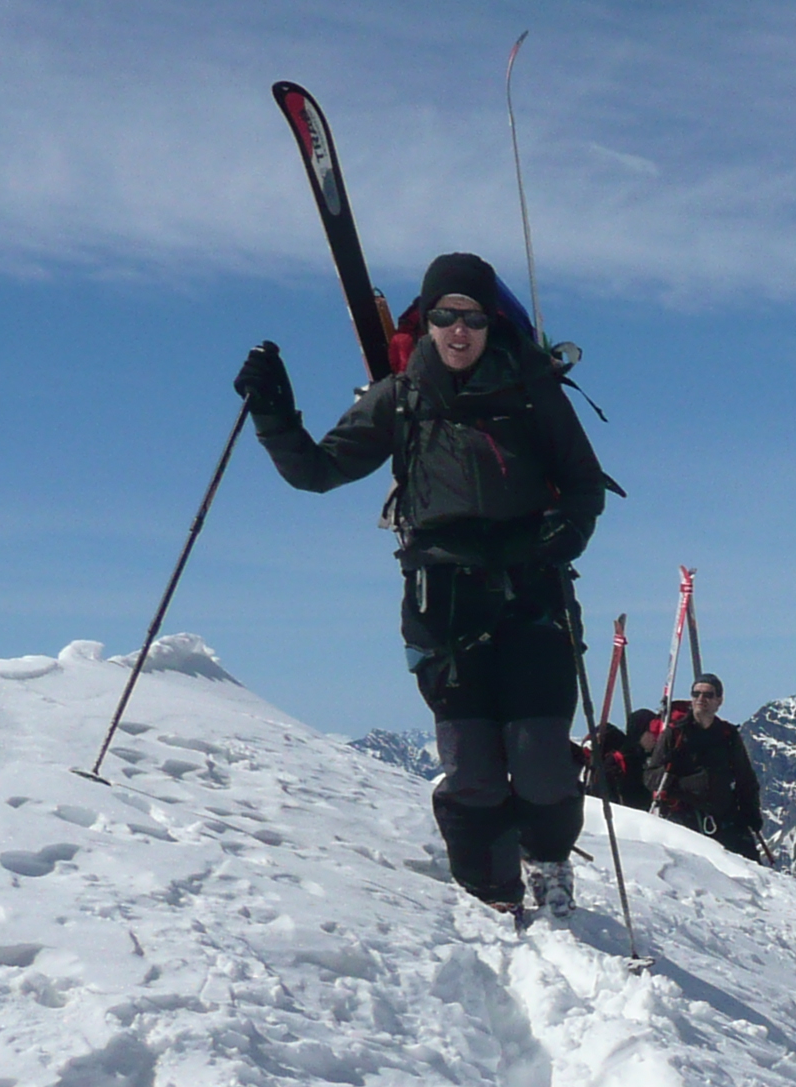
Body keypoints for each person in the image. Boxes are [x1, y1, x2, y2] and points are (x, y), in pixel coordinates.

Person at [234, 252, 610, 919]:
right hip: (445, 604)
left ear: (491, 322)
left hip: (532, 595)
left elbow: (583, 482)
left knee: (542, 760)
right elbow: (318, 471)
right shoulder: (401, 395)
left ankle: (548, 866)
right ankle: (490, 893)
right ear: (428, 320)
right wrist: (273, 414)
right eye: (444, 316)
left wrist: (567, 535)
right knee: (472, 767)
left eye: (470, 316)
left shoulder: (530, 389)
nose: (457, 330)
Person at [647, 673, 766, 860]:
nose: (701, 699)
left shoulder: (728, 735)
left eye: (708, 695)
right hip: (684, 818)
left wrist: (750, 813)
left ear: (719, 700)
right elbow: (650, 775)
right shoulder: (675, 734)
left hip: (724, 817)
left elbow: (745, 778)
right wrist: (676, 781)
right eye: (696, 694)